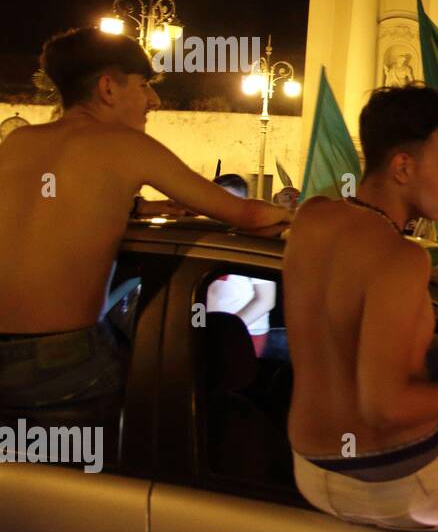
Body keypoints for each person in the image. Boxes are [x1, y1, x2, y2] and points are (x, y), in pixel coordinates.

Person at [0, 28, 288, 406]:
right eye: (143, 85)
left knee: (19, 465)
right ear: (108, 89)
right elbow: (246, 213)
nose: (152, 100)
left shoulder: (19, 142)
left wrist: (136, 208)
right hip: (64, 359)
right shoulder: (128, 146)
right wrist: (302, 214)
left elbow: (44, 205)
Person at [284, 85, 438, 532]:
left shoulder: (311, 217)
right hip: (401, 480)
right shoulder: (402, 257)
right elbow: (383, 407)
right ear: (403, 166)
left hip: (310, 468)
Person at [206, 174, 278, 356]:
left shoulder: (252, 243)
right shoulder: (210, 239)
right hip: (210, 332)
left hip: (245, 334)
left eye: (228, 203)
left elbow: (265, 300)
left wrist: (229, 331)